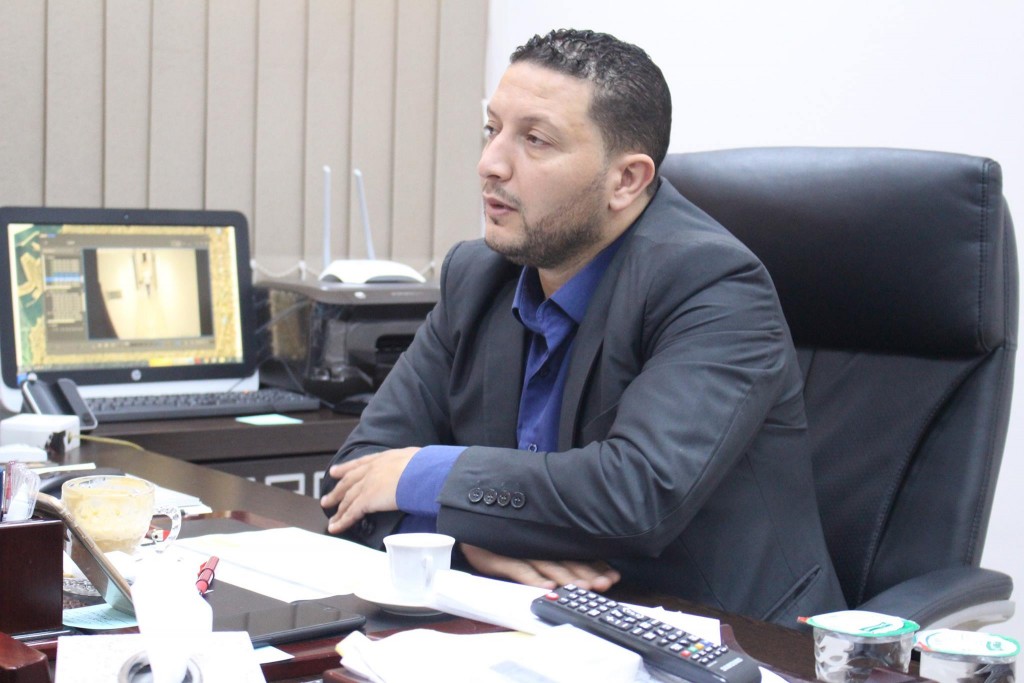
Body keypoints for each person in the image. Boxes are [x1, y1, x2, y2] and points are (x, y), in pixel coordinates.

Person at [320, 28, 845, 627]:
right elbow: (352, 480)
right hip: (525, 627)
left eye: (535, 140)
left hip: (720, 639)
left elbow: (635, 494)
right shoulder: (478, 275)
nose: (490, 164)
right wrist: (469, 538)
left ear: (626, 181)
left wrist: (424, 476)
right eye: (492, 130)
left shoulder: (715, 286)